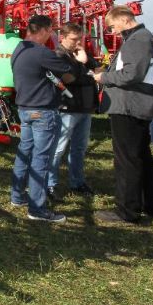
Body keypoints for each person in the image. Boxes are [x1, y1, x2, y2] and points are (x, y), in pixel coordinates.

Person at [93, 5, 153, 224]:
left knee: (127, 160)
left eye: (112, 26)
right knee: (140, 156)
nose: (112, 32)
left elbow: (132, 74)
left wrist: (104, 78)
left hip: (129, 106)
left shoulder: (137, 40)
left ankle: (127, 211)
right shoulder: (142, 37)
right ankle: (147, 204)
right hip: (137, 105)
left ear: (124, 19)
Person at [10, 15, 76, 223]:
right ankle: (37, 209)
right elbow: (70, 76)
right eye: (51, 32)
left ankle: (17, 195)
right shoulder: (42, 53)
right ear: (45, 30)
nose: (53, 36)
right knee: (42, 159)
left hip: (25, 108)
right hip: (43, 111)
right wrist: (78, 60)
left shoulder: (19, 49)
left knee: (25, 152)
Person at [47, 22, 97, 198]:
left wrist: (87, 61)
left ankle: (77, 182)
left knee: (79, 148)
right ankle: (49, 184)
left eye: (79, 39)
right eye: (73, 39)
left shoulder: (80, 54)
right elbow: (67, 78)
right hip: (67, 108)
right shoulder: (58, 55)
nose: (77, 43)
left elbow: (99, 70)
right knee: (58, 148)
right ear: (62, 38)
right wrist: (89, 74)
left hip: (84, 107)